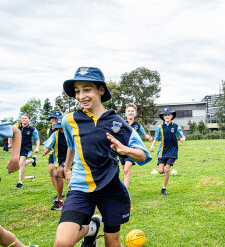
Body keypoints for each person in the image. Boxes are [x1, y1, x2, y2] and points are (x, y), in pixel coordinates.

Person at [53, 67, 152, 247]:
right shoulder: (69, 120)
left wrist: (125, 150)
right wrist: (66, 169)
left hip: (110, 189)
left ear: (101, 90)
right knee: (62, 243)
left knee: (112, 243)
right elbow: (71, 145)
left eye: (87, 89)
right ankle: (91, 228)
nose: (81, 96)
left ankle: (94, 227)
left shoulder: (117, 123)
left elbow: (144, 155)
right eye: (77, 91)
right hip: (81, 188)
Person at [0, 118, 39, 247]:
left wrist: (14, 158)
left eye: (26, 118)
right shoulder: (19, 127)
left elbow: (15, 132)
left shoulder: (30, 129)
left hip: (25, 149)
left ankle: (20, 181)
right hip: (20, 151)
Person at [150, 107, 186, 196]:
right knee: (160, 171)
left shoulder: (176, 126)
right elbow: (156, 138)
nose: (167, 116)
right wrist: (152, 145)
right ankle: (165, 171)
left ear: (172, 116)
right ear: (163, 117)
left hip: (172, 151)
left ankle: (164, 188)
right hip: (162, 151)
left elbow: (182, 135)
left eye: (168, 115)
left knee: (167, 169)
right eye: (165, 115)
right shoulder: (160, 127)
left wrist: (183, 138)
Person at [121, 103, 153, 189]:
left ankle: (125, 193)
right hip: (122, 150)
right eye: (128, 111)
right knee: (125, 171)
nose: (130, 112)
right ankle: (123, 189)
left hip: (132, 150)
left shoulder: (137, 126)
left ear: (135, 114)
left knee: (126, 170)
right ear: (125, 113)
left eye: (132, 111)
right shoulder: (122, 123)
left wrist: (149, 137)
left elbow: (144, 135)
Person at [42, 116, 68, 211]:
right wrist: (46, 150)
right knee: (68, 178)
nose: (60, 129)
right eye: (59, 127)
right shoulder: (55, 134)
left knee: (57, 174)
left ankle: (60, 200)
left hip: (71, 159)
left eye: (62, 126)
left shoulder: (71, 133)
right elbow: (49, 144)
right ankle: (77, 197)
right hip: (60, 159)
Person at [11, 114, 40, 189]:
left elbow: (37, 139)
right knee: (20, 163)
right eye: (22, 118)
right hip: (17, 148)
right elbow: (10, 135)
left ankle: (20, 183)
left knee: (21, 164)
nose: (23, 120)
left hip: (26, 148)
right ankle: (32, 160)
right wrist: (9, 143)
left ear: (29, 120)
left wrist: (37, 148)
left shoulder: (32, 129)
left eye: (25, 118)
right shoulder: (16, 127)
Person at [47, 111, 65, 200]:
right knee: (51, 170)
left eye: (55, 119)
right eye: (52, 120)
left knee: (63, 173)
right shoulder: (50, 130)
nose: (53, 121)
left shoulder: (63, 128)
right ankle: (59, 193)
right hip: (53, 153)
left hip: (63, 153)